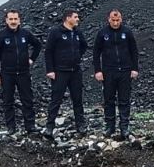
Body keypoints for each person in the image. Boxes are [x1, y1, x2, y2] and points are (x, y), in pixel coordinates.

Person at [0, 9, 42, 135]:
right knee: (8, 101)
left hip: (23, 72)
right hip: (7, 74)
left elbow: (38, 45)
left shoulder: (25, 34)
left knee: (27, 99)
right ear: (6, 20)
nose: (13, 21)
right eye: (11, 19)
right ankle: (11, 127)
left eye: (15, 19)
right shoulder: (2, 36)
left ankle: (30, 126)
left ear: (19, 20)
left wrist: (32, 59)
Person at [93, 9, 140, 139]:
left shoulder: (127, 32)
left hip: (125, 70)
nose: (115, 22)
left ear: (121, 19)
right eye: (113, 20)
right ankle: (110, 126)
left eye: (117, 20)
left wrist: (134, 68)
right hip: (108, 71)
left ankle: (124, 127)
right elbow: (96, 53)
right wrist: (98, 70)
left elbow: (134, 51)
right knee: (109, 100)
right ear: (108, 19)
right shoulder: (102, 33)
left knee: (124, 100)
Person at [43, 9, 88, 138]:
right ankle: (49, 126)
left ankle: (80, 125)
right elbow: (48, 51)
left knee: (77, 99)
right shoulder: (56, 32)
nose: (78, 19)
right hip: (60, 72)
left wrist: (77, 56)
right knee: (56, 100)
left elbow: (84, 46)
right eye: (75, 17)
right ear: (68, 18)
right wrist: (50, 70)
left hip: (75, 71)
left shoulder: (77, 33)